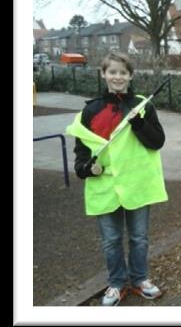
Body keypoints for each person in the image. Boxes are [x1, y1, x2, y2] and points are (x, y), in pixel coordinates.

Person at [66, 52, 167, 306]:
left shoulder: (144, 106)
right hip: (105, 187)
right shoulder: (90, 111)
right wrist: (88, 170)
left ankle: (140, 279)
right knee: (111, 240)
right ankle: (116, 283)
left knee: (139, 237)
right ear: (104, 74)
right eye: (112, 72)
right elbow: (81, 157)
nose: (118, 77)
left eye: (123, 72)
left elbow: (157, 142)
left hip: (137, 185)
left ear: (130, 75)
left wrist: (139, 124)